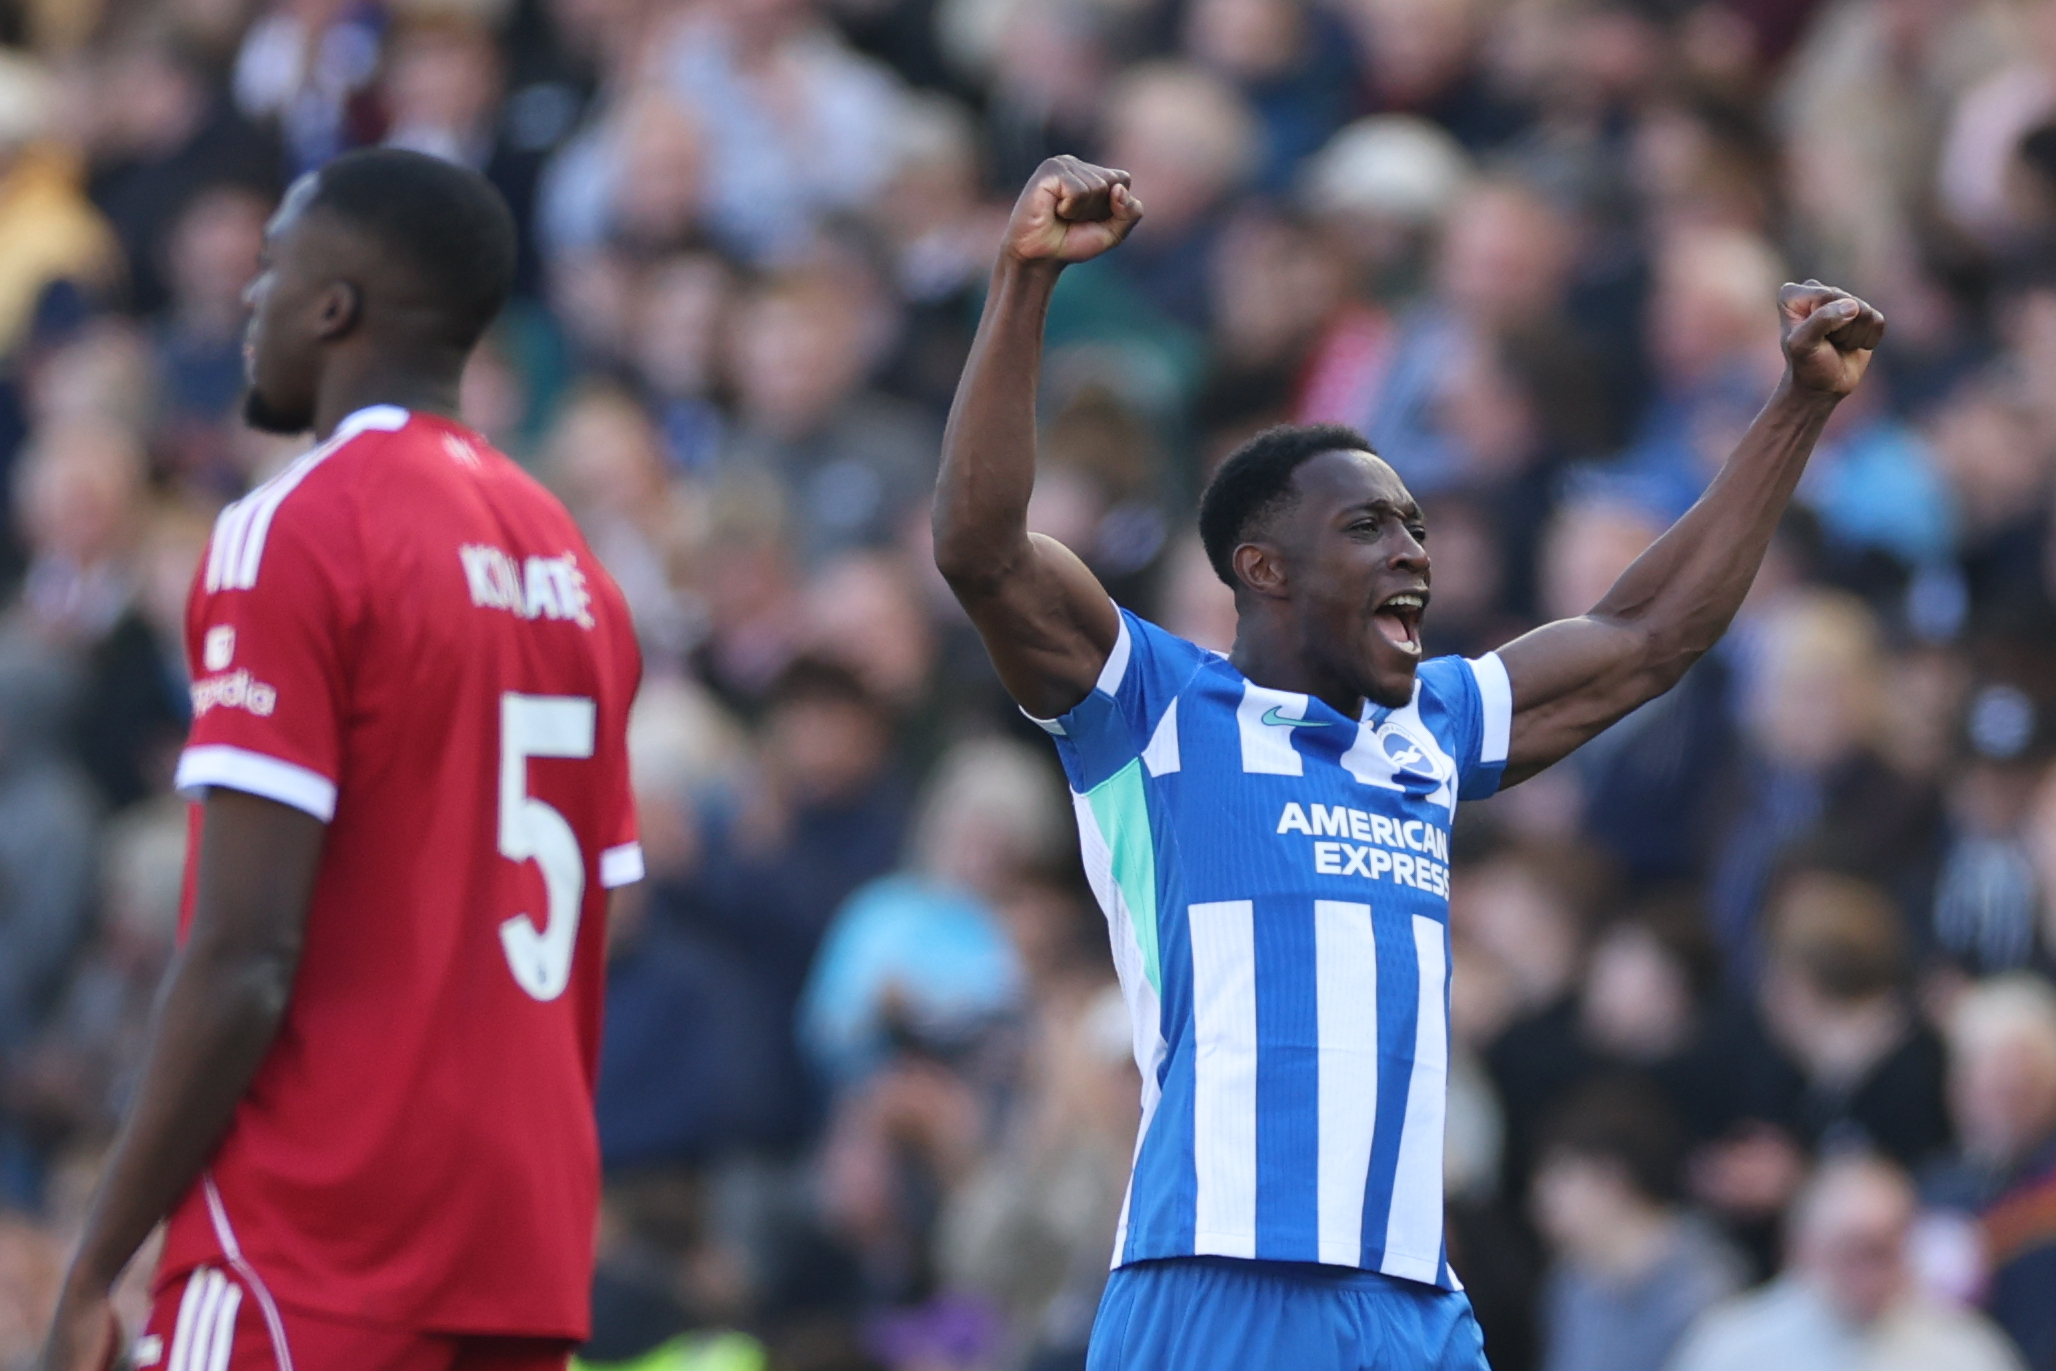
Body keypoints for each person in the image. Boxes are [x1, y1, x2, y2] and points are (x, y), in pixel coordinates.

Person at [930, 155, 1884, 1371]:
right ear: (1262, 569)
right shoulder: (1155, 706)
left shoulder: (1426, 730)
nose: (1412, 556)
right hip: (1215, 1276)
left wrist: (1794, 408)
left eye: (1419, 529)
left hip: (1405, 1298)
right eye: (1368, 527)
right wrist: (1020, 282)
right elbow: (980, 548)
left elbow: (1648, 639)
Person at [37, 148, 645, 1371]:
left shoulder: (295, 525)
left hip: (315, 1236)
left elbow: (242, 955)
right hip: (516, 1254)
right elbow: (603, 913)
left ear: (336, 304)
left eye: (271, 266)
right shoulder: (575, 570)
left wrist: (96, 1259)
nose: (248, 300)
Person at [1669, 1154, 2024, 1371]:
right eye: (1849, 1252)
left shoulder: (1964, 1351)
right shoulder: (1732, 1349)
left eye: (1882, 1251)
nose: (1867, 1274)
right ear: (1802, 1250)